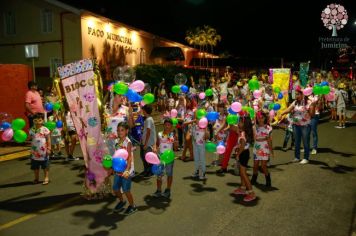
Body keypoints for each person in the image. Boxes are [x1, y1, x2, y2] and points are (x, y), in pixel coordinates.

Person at [279, 86, 316, 164]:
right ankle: (297, 157)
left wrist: (313, 106)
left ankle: (306, 158)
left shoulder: (308, 102)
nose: (296, 96)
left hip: (305, 125)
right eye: (295, 94)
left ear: (302, 94)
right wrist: (281, 114)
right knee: (297, 142)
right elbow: (289, 109)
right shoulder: (295, 102)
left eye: (297, 94)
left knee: (305, 142)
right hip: (296, 125)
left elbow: (312, 115)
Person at [111, 122, 137, 215]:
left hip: (126, 169)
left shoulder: (128, 142)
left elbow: (129, 157)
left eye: (122, 130)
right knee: (115, 188)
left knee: (126, 189)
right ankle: (122, 201)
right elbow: (116, 155)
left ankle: (133, 206)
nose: (119, 132)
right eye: (118, 130)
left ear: (126, 131)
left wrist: (127, 170)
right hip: (118, 169)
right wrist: (113, 166)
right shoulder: (117, 141)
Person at [152, 119, 178, 198]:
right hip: (161, 156)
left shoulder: (173, 135)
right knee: (159, 173)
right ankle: (158, 190)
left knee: (169, 174)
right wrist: (155, 148)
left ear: (171, 126)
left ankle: (168, 190)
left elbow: (176, 148)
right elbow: (156, 144)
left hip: (169, 157)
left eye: (169, 125)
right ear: (163, 125)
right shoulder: (159, 134)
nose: (167, 126)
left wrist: (176, 141)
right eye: (165, 125)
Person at [232, 115, 256, 202]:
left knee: (243, 173)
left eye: (240, 122)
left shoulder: (243, 133)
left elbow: (242, 146)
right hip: (244, 153)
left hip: (243, 153)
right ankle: (242, 188)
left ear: (245, 124)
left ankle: (251, 192)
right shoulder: (245, 132)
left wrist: (238, 154)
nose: (238, 123)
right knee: (242, 173)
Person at [251, 112, 273, 187]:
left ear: (265, 118)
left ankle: (268, 178)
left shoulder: (268, 128)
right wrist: (263, 138)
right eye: (259, 117)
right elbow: (255, 138)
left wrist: (271, 151)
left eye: (262, 118)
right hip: (257, 147)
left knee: (263, 166)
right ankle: (254, 177)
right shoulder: (254, 127)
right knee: (255, 165)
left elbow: (269, 140)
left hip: (265, 148)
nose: (260, 119)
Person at [29, 113, 51, 185]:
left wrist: (49, 148)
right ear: (33, 121)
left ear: (42, 121)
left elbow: (48, 139)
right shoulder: (32, 129)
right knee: (35, 166)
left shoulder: (45, 129)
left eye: (40, 120)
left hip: (43, 152)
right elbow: (31, 139)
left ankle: (46, 177)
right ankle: (36, 178)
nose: (38, 122)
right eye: (35, 120)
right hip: (35, 152)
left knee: (45, 166)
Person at [140, 104, 156, 177]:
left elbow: (148, 131)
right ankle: (146, 170)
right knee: (143, 156)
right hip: (145, 142)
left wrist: (146, 144)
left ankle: (150, 171)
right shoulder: (147, 119)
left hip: (148, 143)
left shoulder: (149, 119)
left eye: (143, 110)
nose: (142, 111)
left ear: (145, 111)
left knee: (147, 157)